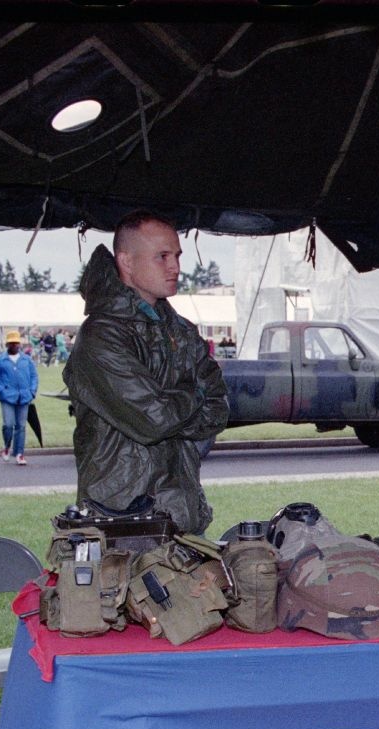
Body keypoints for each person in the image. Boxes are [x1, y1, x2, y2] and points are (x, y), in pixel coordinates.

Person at [63, 210, 228, 534]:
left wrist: (173, 404)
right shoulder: (101, 336)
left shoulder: (180, 330)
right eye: (162, 257)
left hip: (183, 514)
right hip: (122, 522)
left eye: (177, 256)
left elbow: (219, 410)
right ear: (126, 262)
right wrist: (194, 392)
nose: (175, 267)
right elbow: (155, 420)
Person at [0, 329, 39, 466]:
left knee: (21, 426)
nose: (14, 346)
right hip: (7, 397)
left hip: (24, 396)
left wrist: (32, 391)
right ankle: (6, 446)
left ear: (19, 344)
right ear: (7, 345)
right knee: (8, 424)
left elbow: (34, 376)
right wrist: (1, 390)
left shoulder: (27, 360)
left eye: (16, 343)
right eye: (11, 343)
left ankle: (19, 453)